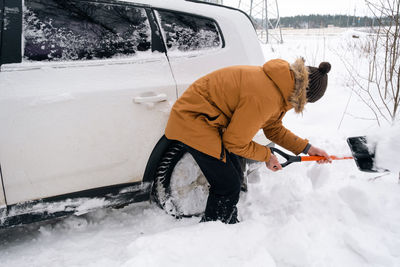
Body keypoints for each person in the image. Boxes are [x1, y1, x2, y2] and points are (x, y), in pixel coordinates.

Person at [164, 58, 331, 224]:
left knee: (236, 175)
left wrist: (307, 148)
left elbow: (273, 128)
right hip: (194, 121)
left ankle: (227, 221)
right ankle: (214, 229)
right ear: (304, 96)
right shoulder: (267, 96)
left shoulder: (281, 85)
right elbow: (234, 143)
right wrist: (266, 155)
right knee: (228, 185)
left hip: (211, 121)